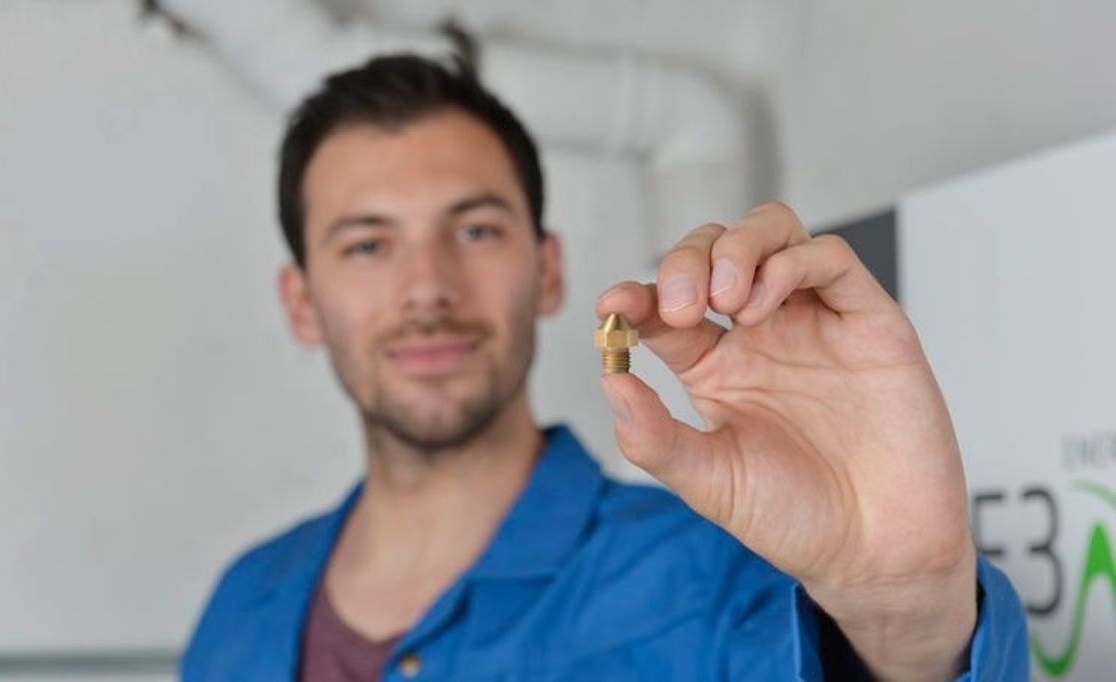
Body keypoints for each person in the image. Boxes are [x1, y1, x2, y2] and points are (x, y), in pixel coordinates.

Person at [182, 54, 1027, 681]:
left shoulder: (725, 582)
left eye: (474, 230)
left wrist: (902, 612)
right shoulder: (240, 608)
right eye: (367, 245)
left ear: (547, 270)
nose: (428, 289)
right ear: (301, 302)